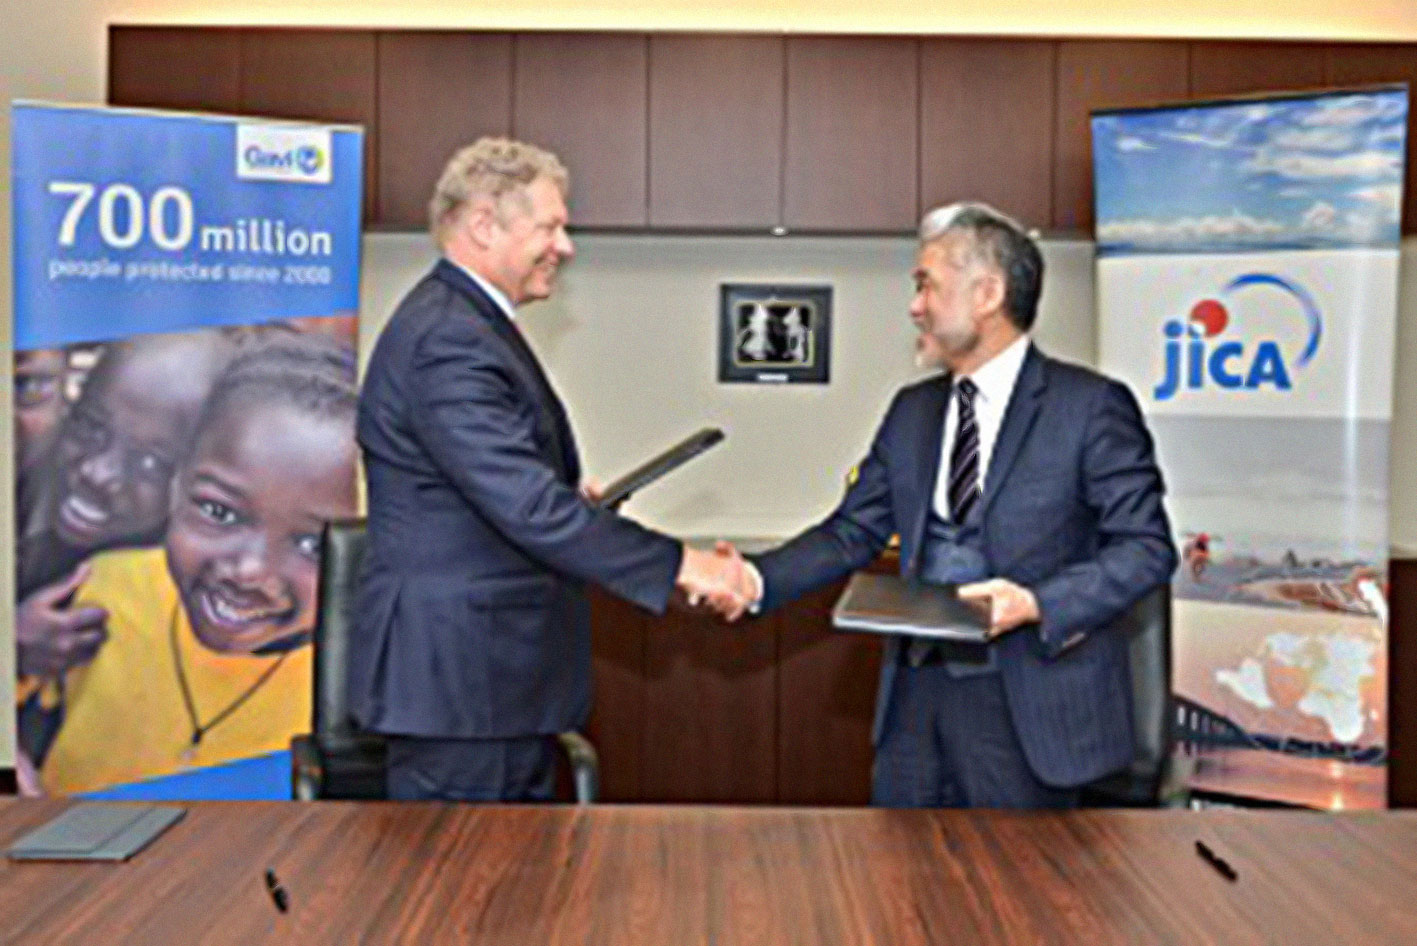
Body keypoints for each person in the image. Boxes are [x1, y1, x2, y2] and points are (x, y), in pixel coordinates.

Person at [718, 202, 1176, 808]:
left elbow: (1146, 550)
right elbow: (851, 533)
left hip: (1031, 710)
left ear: (987, 293)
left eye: (925, 284)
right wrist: (753, 579)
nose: (914, 305)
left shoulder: (1090, 407)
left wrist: (1036, 602)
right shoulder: (912, 412)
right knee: (902, 895)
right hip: (914, 707)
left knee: (1020, 900)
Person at [351, 137, 750, 802]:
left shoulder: (468, 325)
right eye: (551, 227)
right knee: (465, 897)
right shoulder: (448, 340)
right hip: (461, 688)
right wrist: (687, 566)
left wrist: (563, 496)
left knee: (509, 895)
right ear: (483, 226)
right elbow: (528, 510)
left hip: (488, 683)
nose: (564, 247)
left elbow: (503, 494)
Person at [39, 336, 359, 795]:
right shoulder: (103, 586)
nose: (249, 571)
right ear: (176, 484)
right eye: (219, 511)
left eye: (312, 543)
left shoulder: (360, 681)